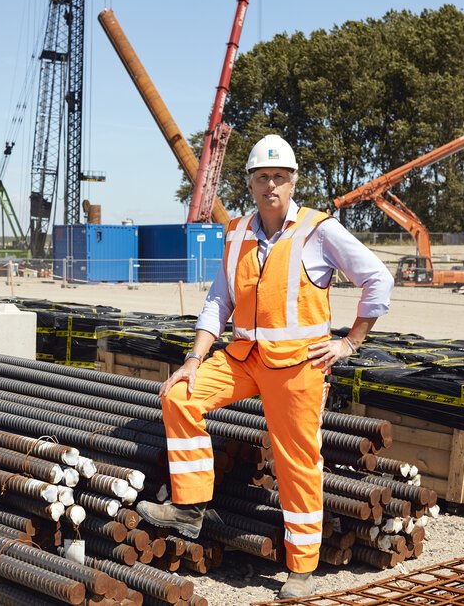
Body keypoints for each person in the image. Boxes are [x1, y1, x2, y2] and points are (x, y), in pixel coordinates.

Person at [137, 134, 394, 600]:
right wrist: (194, 358)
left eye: (278, 176)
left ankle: (301, 567)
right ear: (251, 183)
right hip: (244, 357)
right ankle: (190, 507)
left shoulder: (318, 230)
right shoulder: (236, 232)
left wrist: (350, 343)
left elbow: (378, 278)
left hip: (298, 367)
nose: (270, 184)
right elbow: (219, 300)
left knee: (297, 462)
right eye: (262, 177)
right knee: (178, 396)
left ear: (293, 181)